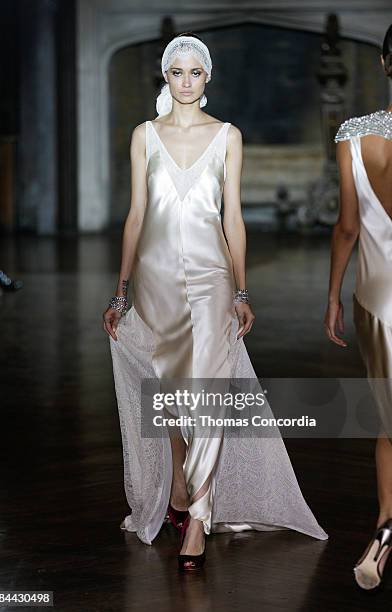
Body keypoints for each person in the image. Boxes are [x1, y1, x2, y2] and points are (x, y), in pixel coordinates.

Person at [104, 32, 327, 572]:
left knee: (206, 389)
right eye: (175, 72)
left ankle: (198, 518)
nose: (185, 81)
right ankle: (179, 481)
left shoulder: (228, 136)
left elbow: (232, 219)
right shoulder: (144, 136)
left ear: (208, 78)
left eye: (194, 72)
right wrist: (120, 290)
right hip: (154, 282)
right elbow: (136, 215)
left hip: (210, 280)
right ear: (166, 76)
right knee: (170, 388)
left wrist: (242, 288)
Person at [325, 24, 392, 590]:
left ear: (385, 66)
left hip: (377, 297)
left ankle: (384, 530)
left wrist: (330, 297)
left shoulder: (353, 135)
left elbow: (348, 226)